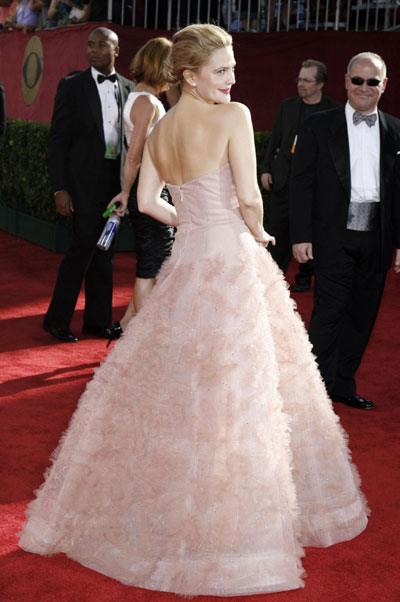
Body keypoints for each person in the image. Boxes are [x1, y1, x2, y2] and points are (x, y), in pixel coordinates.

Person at [19, 24, 368, 596]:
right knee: (246, 382)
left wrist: (194, 221)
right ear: (189, 74)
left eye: (233, 69)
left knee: (178, 383)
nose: (234, 80)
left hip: (189, 262)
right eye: (222, 71)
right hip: (231, 257)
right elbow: (251, 197)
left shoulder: (160, 127)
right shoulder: (232, 117)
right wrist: (253, 229)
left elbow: (147, 201)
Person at [290, 51, 400, 410]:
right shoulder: (318, 125)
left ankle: (342, 384)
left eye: (373, 81)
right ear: (345, 81)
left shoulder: (396, 130)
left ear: (384, 85)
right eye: (357, 80)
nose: (364, 87)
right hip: (333, 233)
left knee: (362, 315)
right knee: (329, 312)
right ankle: (313, 390)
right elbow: (301, 183)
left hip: (378, 235)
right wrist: (301, 235)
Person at [42, 27, 134, 343]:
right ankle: (57, 321)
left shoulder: (129, 88)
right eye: (90, 45)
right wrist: (60, 187)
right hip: (81, 184)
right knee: (80, 250)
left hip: (114, 184)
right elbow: (58, 141)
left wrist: (129, 187)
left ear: (116, 49)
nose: (94, 50)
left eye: (101, 45)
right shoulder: (72, 86)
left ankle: (97, 321)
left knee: (105, 251)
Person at [107, 37, 174, 343]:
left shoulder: (138, 97)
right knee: (151, 263)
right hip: (148, 193)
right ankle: (143, 339)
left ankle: (126, 324)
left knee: (154, 258)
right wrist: (125, 192)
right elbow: (133, 154)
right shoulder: (147, 102)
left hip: (147, 189)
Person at [261, 59, 340, 291]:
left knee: (314, 232)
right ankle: (273, 280)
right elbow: (275, 139)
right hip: (284, 181)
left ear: (321, 84)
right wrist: (266, 168)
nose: (300, 84)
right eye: (299, 79)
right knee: (278, 233)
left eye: (307, 80)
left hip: (316, 186)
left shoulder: (333, 111)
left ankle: (305, 278)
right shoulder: (287, 107)